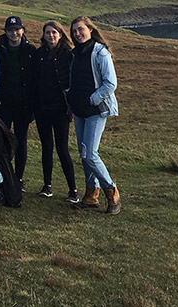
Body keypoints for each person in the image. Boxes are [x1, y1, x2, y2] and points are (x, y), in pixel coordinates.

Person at [67, 16, 121, 214]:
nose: (78, 34)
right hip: (79, 111)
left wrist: (93, 99)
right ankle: (91, 196)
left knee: (90, 154)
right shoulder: (76, 54)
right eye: (74, 31)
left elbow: (110, 83)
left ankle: (111, 191)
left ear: (90, 29)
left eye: (81, 29)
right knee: (84, 155)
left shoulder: (100, 52)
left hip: (96, 111)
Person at [32, 20, 78, 202]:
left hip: (60, 109)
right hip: (42, 109)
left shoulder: (68, 54)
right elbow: (35, 80)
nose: (51, 35)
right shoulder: (39, 54)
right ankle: (47, 185)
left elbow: (73, 82)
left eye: (54, 32)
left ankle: (73, 190)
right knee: (46, 147)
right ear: (43, 35)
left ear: (60, 34)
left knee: (62, 148)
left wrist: (72, 107)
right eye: (48, 32)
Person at [0, 16, 36, 191]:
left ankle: (18, 178)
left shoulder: (30, 50)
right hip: (3, 104)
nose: (14, 33)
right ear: (6, 31)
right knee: (2, 141)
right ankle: (2, 176)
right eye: (10, 30)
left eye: (17, 29)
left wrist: (32, 106)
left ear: (23, 30)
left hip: (22, 105)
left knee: (21, 141)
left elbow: (35, 79)